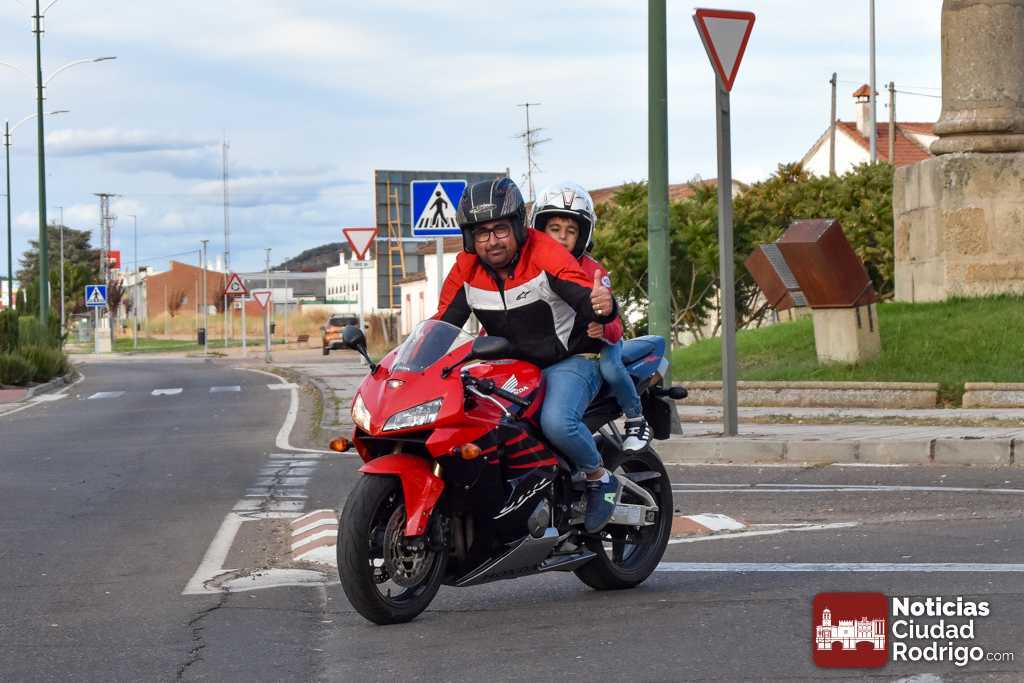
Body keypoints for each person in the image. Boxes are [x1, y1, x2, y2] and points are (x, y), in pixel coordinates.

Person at [433, 177, 622, 533]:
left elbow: (584, 296)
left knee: (556, 422)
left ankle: (599, 477)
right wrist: (409, 367)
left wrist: (602, 306)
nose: (492, 240)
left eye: (500, 229)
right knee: (476, 416)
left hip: (571, 358)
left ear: (518, 227)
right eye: (482, 232)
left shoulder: (545, 253)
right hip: (513, 366)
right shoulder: (466, 269)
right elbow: (441, 324)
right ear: (470, 237)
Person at [532, 182, 652, 452]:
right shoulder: (529, 269)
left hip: (595, 346)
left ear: (583, 235)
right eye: (554, 229)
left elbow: (615, 325)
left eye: (571, 230)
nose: (562, 237)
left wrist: (603, 328)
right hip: (552, 349)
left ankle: (636, 418)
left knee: (610, 368)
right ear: (539, 229)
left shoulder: (592, 271)